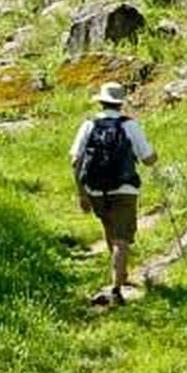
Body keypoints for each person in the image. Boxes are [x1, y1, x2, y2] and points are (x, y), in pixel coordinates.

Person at [70, 81, 157, 301]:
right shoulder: (130, 125)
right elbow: (147, 159)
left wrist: (82, 193)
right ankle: (117, 288)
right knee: (122, 238)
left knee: (109, 228)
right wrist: (154, 156)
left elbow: (75, 161)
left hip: (96, 189)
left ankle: (120, 275)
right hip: (125, 188)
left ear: (100, 102)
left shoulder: (88, 125)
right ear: (120, 104)